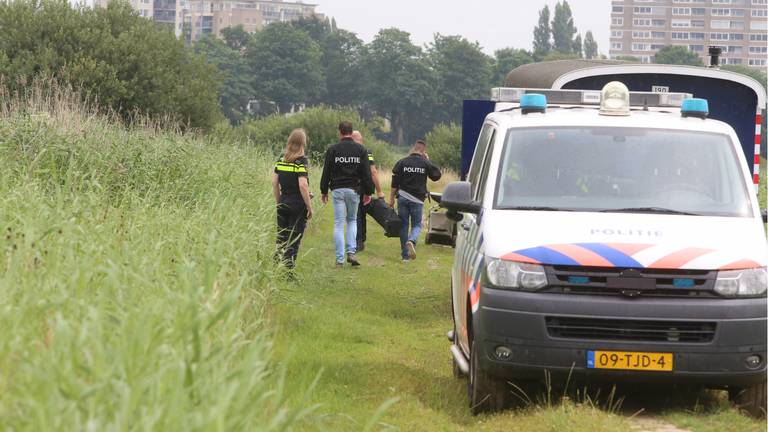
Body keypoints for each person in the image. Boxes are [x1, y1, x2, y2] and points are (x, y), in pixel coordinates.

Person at [320, 122, 374, 267]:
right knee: (352, 221)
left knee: (338, 223)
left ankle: (339, 259)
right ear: (351, 132)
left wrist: (323, 190)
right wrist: (368, 191)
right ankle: (351, 252)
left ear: (340, 132)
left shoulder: (333, 149)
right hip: (354, 190)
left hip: (337, 190)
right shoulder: (361, 150)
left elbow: (326, 171)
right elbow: (366, 173)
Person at [389, 140, 442, 262]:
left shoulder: (403, 161)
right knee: (417, 224)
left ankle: (405, 256)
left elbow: (394, 182)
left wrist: (391, 198)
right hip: (417, 200)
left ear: (414, 148)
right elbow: (436, 175)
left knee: (403, 225)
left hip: (402, 197)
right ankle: (412, 240)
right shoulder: (425, 163)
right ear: (423, 151)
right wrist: (428, 160)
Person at [272, 128, 314, 276]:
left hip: (283, 202)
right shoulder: (301, 161)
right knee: (293, 239)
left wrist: (279, 201)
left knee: (281, 237)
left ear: (289, 141)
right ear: (303, 143)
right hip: (297, 205)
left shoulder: (281, 160)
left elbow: (274, 182)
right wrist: (309, 206)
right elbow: (303, 185)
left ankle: (275, 268)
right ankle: (287, 273)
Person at [351, 130, 384, 252]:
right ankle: (360, 240)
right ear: (361, 140)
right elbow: (373, 171)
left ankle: (358, 241)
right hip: (364, 187)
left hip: (351, 187)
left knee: (357, 215)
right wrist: (379, 191)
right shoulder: (365, 151)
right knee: (361, 214)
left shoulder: (348, 152)